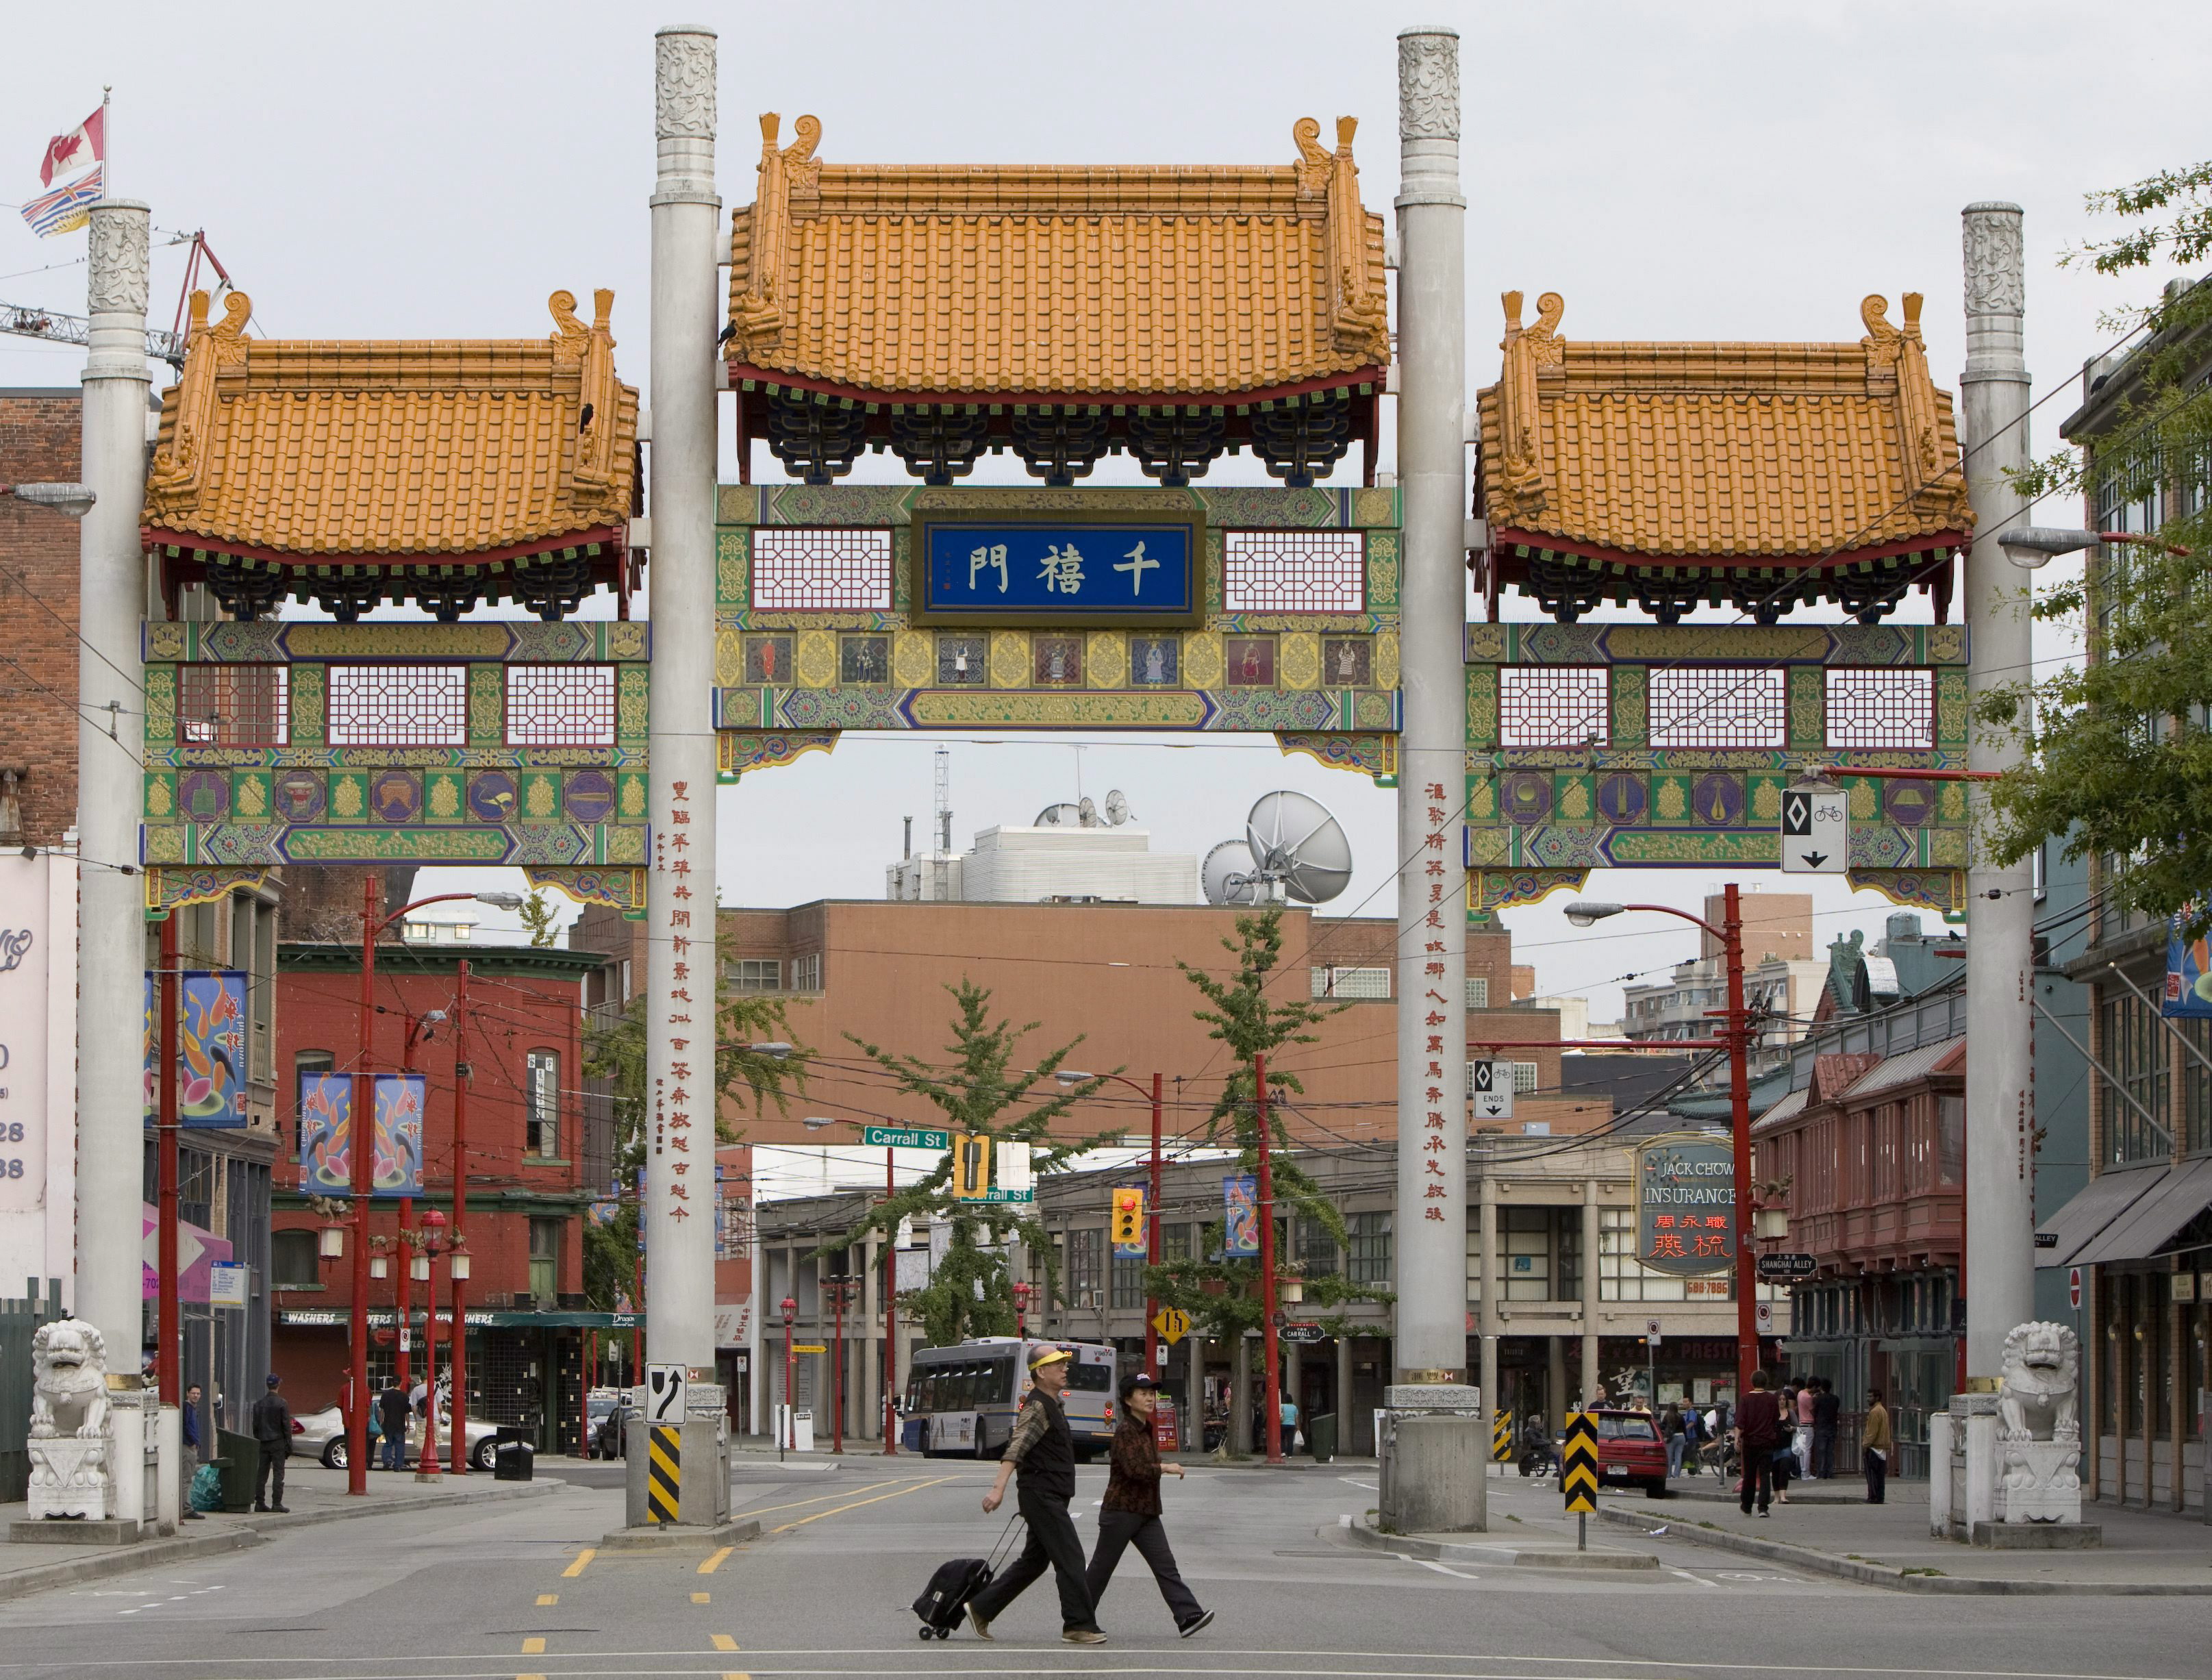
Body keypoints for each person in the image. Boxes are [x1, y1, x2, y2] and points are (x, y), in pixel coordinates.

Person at [967, 1346, 1105, 1646]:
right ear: (1040, 1372)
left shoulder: (1053, 1404)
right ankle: (1077, 1625)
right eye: (1057, 1364)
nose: (1064, 1369)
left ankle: (979, 1609)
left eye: (1064, 1364)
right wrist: (998, 1488)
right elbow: (1016, 1448)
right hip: (1041, 1495)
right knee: (1071, 1557)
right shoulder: (1037, 1407)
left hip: (1050, 1493)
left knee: (1034, 1562)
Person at [1085, 1372, 1211, 1638]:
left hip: (1146, 1512)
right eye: (1143, 1393)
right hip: (1121, 1511)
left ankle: (1188, 1616)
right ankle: (1078, 1619)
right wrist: (1165, 1467)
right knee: (1101, 1570)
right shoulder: (1125, 1431)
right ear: (1128, 1400)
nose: (1150, 1398)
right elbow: (1135, 1470)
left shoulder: (1146, 1429)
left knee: (1166, 1566)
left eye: (1152, 1393)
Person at [1733, 1370, 1781, 1517]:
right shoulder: (1772, 1399)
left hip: (1750, 1442)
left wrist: (1737, 1439)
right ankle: (1763, 1508)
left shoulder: (1745, 1399)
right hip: (1767, 1441)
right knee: (1766, 1475)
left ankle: (1747, 1505)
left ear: (1752, 1382)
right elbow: (1776, 1418)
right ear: (1765, 1382)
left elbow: (1740, 1422)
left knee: (1750, 1475)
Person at [251, 1374, 292, 1513]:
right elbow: (286, 1426)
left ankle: (259, 1502)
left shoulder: (259, 1404)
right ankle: (277, 1503)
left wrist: (259, 1438)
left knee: (261, 1473)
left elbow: (255, 1426)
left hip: (263, 1441)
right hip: (278, 1442)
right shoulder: (282, 1403)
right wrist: (289, 1444)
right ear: (278, 1385)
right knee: (278, 1473)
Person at [1861, 1390, 1892, 1504]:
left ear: (1877, 1397)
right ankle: (1880, 1497)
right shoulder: (1882, 1410)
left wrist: (1865, 1444)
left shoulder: (1874, 1412)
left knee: (1872, 1475)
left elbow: (1872, 1432)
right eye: (1868, 1396)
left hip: (1874, 1447)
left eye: (1870, 1396)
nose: (1868, 1399)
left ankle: (1873, 1497)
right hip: (1882, 1447)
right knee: (1880, 1476)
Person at [377, 1379, 411, 1472]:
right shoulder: (404, 1396)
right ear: (400, 1383)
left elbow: (382, 1410)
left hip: (388, 1424)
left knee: (388, 1444)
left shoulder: (386, 1395)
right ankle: (398, 1465)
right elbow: (407, 1412)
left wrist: (381, 1421)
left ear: (392, 1383)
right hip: (399, 1424)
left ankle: (387, 1460)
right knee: (400, 1445)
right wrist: (408, 1424)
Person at [1812, 1377, 1841, 1479]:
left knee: (1821, 1451)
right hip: (1832, 1426)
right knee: (1830, 1451)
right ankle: (1829, 1472)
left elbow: (1815, 1412)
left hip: (1822, 1426)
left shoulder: (1819, 1399)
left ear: (1822, 1387)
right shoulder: (1836, 1399)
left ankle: (1821, 1472)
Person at [1792, 1379, 1816, 1481]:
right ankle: (1806, 1473)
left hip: (1801, 1423)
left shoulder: (1800, 1394)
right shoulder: (1808, 1397)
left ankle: (1803, 1472)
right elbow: (1813, 1411)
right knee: (1808, 1450)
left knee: (1803, 1449)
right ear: (1814, 1387)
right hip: (1809, 1424)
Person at [1659, 1401, 1686, 1479]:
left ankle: (1668, 1474)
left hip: (1671, 1437)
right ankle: (1677, 1474)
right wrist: (1686, 1439)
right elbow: (1684, 1428)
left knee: (1669, 1456)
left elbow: (1662, 1426)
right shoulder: (1680, 1416)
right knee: (1678, 1456)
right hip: (1681, 1436)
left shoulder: (1667, 1416)